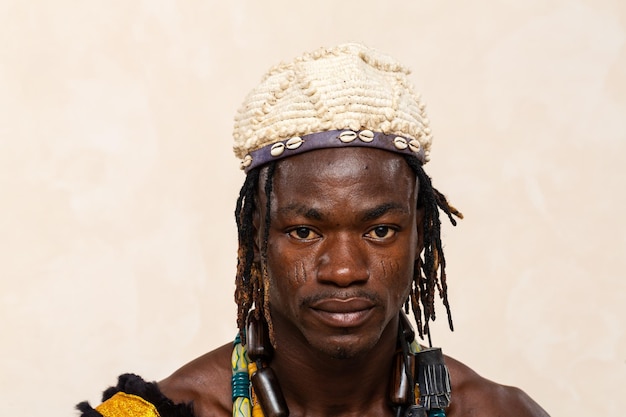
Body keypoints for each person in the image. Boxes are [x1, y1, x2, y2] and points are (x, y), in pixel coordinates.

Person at [77, 43, 550, 417]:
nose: (344, 270)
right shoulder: (165, 413)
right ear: (256, 239)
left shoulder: (494, 411)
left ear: (422, 235)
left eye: (380, 230)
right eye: (305, 232)